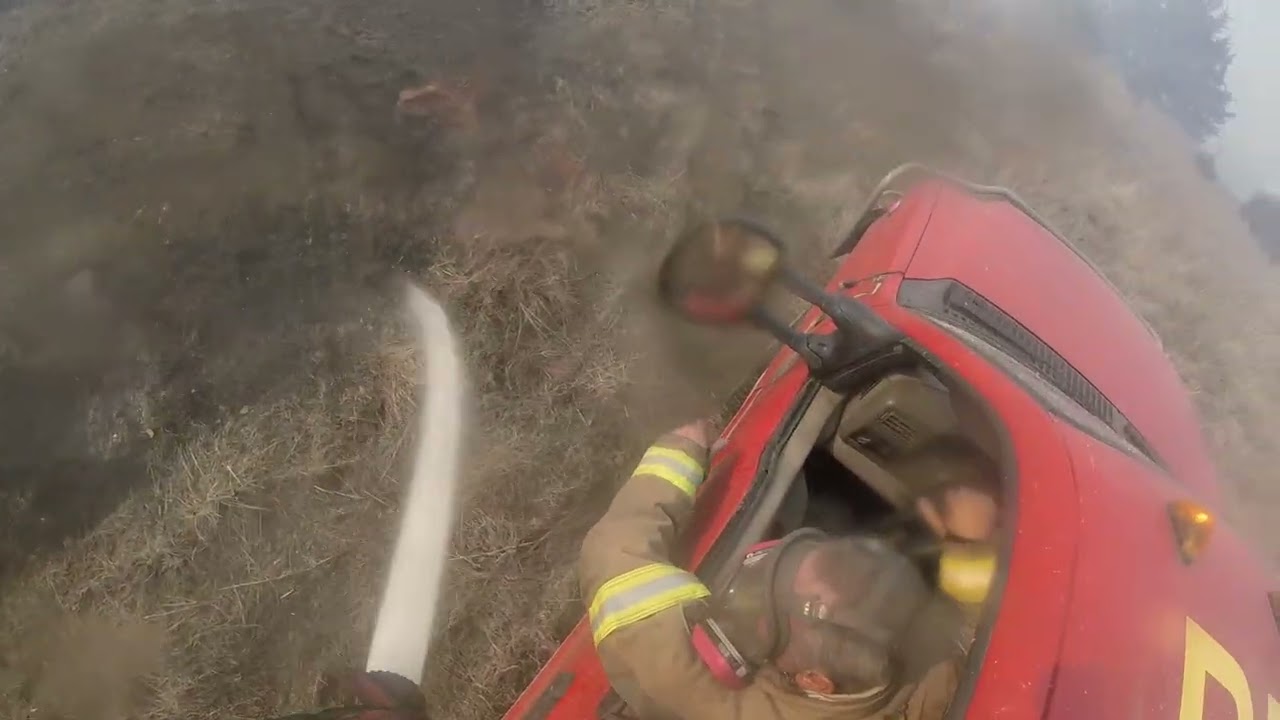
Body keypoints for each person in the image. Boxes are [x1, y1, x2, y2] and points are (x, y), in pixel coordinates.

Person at [580, 420, 969, 720]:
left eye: (774, 615)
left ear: (815, 682)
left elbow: (614, 558)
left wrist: (679, 450)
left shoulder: (738, 708)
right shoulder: (956, 666)